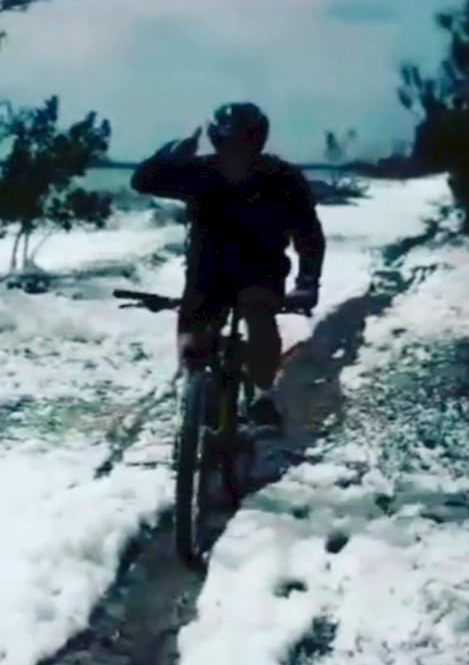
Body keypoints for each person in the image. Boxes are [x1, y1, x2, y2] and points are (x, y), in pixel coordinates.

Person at [131, 102, 325, 431]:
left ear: (258, 142)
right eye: (228, 144)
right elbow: (144, 181)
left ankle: (264, 394)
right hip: (209, 272)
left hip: (260, 272)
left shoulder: (283, 178)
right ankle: (193, 390)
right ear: (217, 144)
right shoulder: (199, 171)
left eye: (245, 144)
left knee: (259, 316)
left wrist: (308, 280)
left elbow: (308, 233)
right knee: (193, 339)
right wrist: (170, 156)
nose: (237, 153)